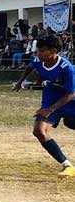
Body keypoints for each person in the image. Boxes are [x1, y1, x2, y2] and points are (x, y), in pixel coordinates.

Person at [13, 34, 75, 177]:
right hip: (50, 99)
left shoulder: (67, 68)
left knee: (71, 123)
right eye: (37, 50)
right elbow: (30, 67)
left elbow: (71, 94)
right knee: (39, 131)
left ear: (53, 51)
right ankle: (67, 165)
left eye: (41, 51)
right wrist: (20, 81)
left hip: (69, 101)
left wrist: (50, 109)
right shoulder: (38, 60)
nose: (38, 54)